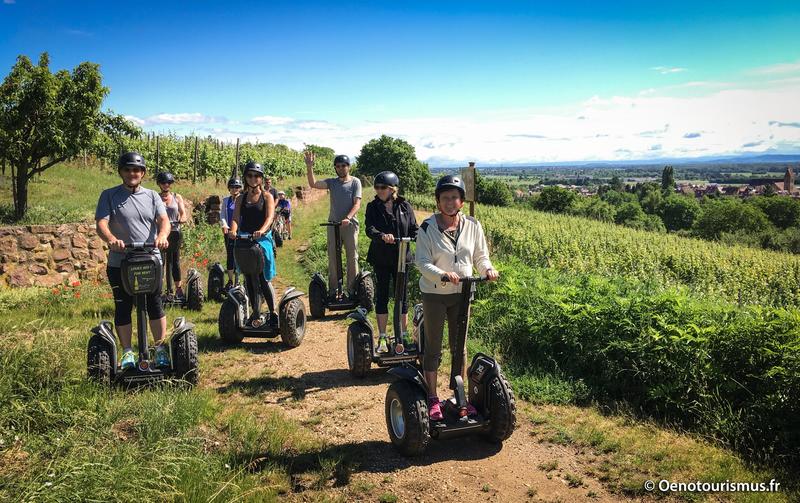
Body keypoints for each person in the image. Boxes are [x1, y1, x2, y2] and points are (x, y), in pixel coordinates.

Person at [415, 174, 499, 421]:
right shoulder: (427, 228)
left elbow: (480, 256)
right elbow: (421, 262)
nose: (450, 202)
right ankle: (431, 397)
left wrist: (487, 270)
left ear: (462, 201)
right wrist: (442, 274)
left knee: (459, 346)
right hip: (434, 294)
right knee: (433, 347)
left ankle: (458, 395)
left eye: (454, 197)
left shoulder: (473, 225)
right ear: (438, 201)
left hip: (463, 293)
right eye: (445, 198)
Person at [95, 152, 171, 369]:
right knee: (123, 305)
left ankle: (160, 349)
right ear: (121, 172)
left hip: (150, 259)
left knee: (155, 304)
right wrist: (111, 239)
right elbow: (101, 222)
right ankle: (127, 352)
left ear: (143, 173)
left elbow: (163, 220)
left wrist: (163, 235)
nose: (132, 173)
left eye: (136, 170)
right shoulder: (109, 195)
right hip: (120, 261)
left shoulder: (153, 196)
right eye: (127, 169)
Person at [365, 171, 418, 353]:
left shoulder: (405, 206)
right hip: (381, 257)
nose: (379, 191)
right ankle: (382, 337)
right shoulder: (372, 207)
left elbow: (414, 228)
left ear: (392, 189)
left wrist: (418, 237)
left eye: (383, 188)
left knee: (402, 297)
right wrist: (382, 236)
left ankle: (402, 335)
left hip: (402, 257)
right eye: (377, 187)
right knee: (382, 295)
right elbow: (369, 229)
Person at [305, 151, 362, 297]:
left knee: (352, 257)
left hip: (350, 225)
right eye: (338, 166)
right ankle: (333, 290)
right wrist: (309, 166)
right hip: (333, 225)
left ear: (349, 167)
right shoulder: (332, 182)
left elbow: (357, 204)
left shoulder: (355, 182)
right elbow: (313, 184)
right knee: (333, 257)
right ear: (335, 168)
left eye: (343, 165)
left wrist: (348, 217)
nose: (341, 168)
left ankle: (352, 290)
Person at [227, 161, 278, 328]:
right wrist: (233, 231)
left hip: (261, 239)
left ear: (261, 178)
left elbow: (270, 217)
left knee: (263, 279)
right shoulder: (241, 197)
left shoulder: (267, 196)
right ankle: (255, 313)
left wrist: (262, 230)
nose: (253, 178)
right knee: (249, 277)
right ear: (245, 177)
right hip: (244, 238)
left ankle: (273, 313)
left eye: (256, 176)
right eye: (250, 175)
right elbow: (235, 218)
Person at [156, 171, 187, 300]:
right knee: (160, 262)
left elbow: (183, 213)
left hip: (174, 232)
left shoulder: (176, 197)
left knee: (175, 261)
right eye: (163, 183)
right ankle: (159, 290)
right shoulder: (155, 197)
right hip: (161, 234)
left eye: (168, 183)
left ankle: (178, 289)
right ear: (159, 184)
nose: (166, 185)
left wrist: (182, 218)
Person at [219, 176, 243, 289]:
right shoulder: (225, 200)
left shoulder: (243, 200)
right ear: (229, 189)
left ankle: (239, 279)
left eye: (237, 187)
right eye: (233, 187)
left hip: (241, 231)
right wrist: (224, 225)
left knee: (240, 255)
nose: (235, 189)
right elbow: (223, 214)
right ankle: (230, 280)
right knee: (230, 254)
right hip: (228, 231)